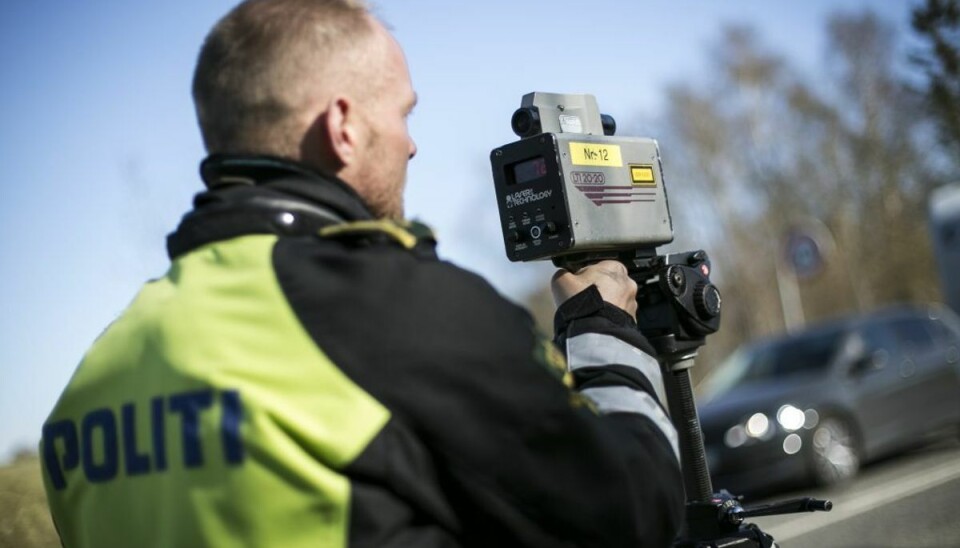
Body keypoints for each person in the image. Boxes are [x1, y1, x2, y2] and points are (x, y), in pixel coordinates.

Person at [40, 0, 685, 546]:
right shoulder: (402, 311)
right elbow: (631, 511)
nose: (411, 144)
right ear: (343, 125)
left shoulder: (94, 380)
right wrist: (601, 324)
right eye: (403, 113)